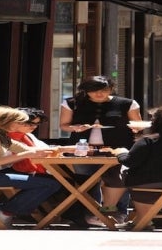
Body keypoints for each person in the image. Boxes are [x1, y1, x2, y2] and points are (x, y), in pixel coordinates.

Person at [59, 75, 144, 225]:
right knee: (86, 181)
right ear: (86, 91)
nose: (99, 94)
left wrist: (137, 128)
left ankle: (119, 213)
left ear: (111, 89)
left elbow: (137, 124)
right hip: (82, 149)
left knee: (118, 179)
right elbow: (64, 125)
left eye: (104, 91)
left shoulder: (127, 103)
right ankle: (88, 215)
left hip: (117, 148)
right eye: (94, 91)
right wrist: (75, 128)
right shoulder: (72, 103)